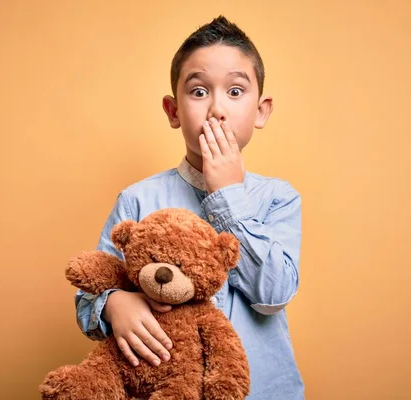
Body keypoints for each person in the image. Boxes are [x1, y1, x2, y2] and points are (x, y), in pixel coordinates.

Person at [75, 15, 304, 400]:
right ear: (173, 110)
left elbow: (274, 295)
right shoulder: (137, 199)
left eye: (235, 91)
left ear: (261, 110)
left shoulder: (278, 198)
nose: (217, 109)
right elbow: (88, 296)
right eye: (199, 92)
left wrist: (227, 195)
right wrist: (114, 304)